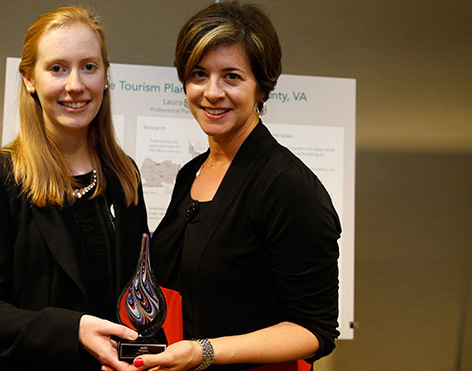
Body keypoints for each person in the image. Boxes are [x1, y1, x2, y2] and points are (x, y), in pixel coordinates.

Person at [135, 2, 342, 371]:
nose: (212, 93)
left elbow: (316, 328)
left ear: (262, 87)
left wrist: (205, 351)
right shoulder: (191, 173)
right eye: (199, 74)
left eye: (231, 76)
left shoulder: (289, 187)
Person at [0, 7, 150, 371]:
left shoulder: (124, 175)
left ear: (105, 76)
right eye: (57, 68)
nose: (75, 85)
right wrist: (74, 329)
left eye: (89, 66)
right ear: (29, 79)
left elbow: (139, 290)